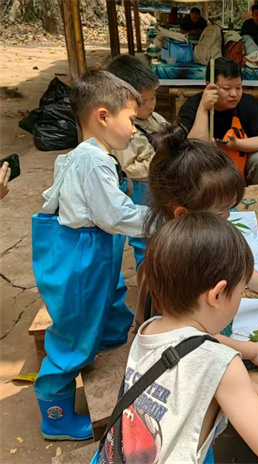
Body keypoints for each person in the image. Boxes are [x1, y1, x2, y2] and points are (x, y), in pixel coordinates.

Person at [98, 212, 258, 464]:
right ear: (217, 295)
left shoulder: (150, 329)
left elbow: (203, 367)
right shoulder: (222, 363)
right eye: (241, 290)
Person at [133, 122, 258, 372]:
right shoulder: (175, 266)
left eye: (230, 208)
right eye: (220, 212)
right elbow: (190, 338)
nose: (227, 217)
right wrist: (251, 350)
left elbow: (239, 270)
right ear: (182, 213)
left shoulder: (198, 239)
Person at [32, 71, 148, 441]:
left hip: (95, 250)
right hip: (83, 254)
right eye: (131, 119)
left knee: (111, 300)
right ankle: (55, 415)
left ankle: (110, 347)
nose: (134, 129)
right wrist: (162, 219)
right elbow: (115, 216)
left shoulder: (86, 154)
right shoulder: (94, 161)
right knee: (74, 333)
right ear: (103, 116)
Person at [106, 54, 167, 269]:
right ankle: (146, 276)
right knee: (144, 236)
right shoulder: (124, 132)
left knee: (162, 233)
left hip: (159, 185)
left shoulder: (155, 118)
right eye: (143, 101)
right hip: (141, 189)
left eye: (153, 98)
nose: (150, 105)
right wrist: (161, 161)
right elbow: (130, 168)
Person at [179, 57, 258, 185]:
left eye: (238, 88)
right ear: (209, 86)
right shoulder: (192, 106)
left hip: (240, 165)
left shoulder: (248, 104)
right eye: (227, 88)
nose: (234, 94)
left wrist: (235, 144)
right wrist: (203, 109)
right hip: (206, 174)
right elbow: (190, 150)